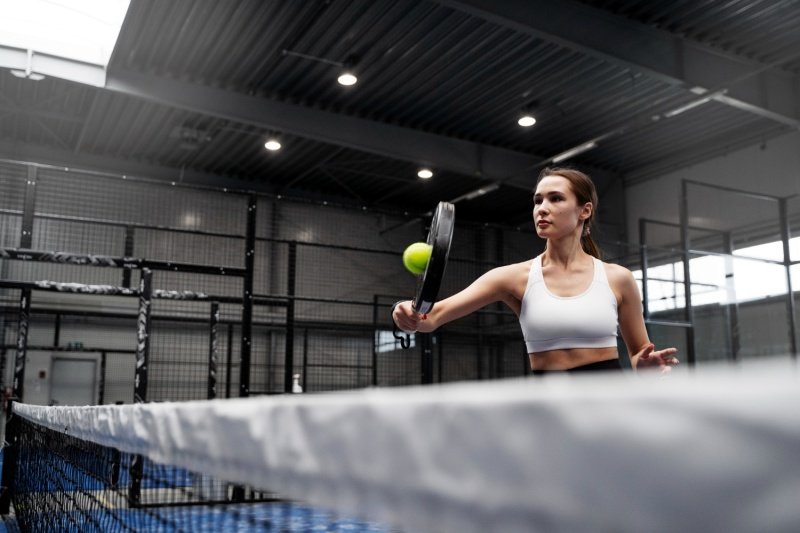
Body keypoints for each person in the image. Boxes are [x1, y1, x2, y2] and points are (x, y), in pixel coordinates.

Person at [392, 167, 678, 374]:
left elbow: (640, 352)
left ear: (584, 210)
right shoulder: (511, 278)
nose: (542, 208)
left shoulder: (618, 278)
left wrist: (644, 365)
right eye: (538, 200)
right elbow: (431, 318)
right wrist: (403, 311)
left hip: (608, 403)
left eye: (555, 198)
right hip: (548, 408)